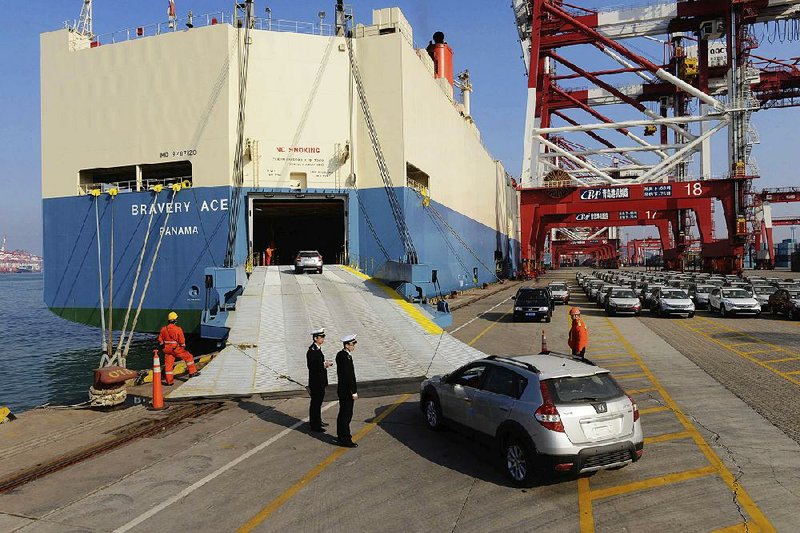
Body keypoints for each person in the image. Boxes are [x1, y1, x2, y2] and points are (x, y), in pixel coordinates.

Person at [157, 311, 200, 385]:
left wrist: (164, 345)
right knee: (189, 357)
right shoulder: (178, 329)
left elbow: (160, 340)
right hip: (176, 349)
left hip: (167, 349)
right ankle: (192, 372)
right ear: (175, 320)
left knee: (168, 365)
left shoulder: (163, 329)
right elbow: (182, 340)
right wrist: (183, 346)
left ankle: (169, 382)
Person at [306, 327, 332, 432]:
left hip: (320, 381)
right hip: (316, 382)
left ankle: (318, 420)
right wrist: (324, 365)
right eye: (321, 337)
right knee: (315, 403)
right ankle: (314, 425)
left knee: (319, 402)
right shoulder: (312, 350)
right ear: (315, 338)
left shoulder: (317, 349)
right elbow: (312, 367)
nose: (323, 339)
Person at [336, 334, 359, 448]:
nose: (353, 346)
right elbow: (348, 376)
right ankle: (345, 439)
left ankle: (342, 437)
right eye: (352, 344)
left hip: (344, 390)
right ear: (346, 345)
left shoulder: (345, 355)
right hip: (346, 391)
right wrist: (353, 391)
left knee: (345, 414)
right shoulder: (343, 357)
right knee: (346, 415)